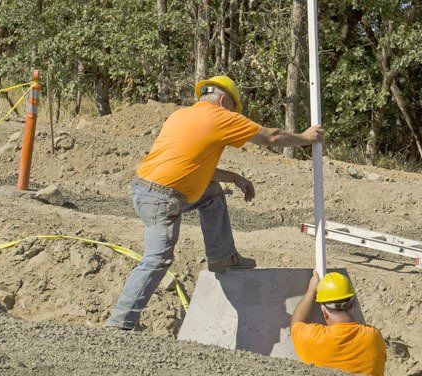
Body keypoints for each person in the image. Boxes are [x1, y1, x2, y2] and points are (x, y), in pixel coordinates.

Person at [106, 75, 323, 330]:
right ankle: (121, 323)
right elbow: (272, 137)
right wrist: (306, 137)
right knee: (157, 259)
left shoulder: (181, 116)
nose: (233, 114)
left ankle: (222, 257)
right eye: (233, 107)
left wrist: (233, 177)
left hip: (147, 189)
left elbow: (189, 166)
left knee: (212, 193)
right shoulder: (221, 117)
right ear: (223, 100)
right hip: (163, 198)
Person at [291, 271, 387, 375]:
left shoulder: (314, 338)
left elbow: (296, 324)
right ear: (353, 305)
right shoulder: (374, 336)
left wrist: (311, 291)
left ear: (324, 312)